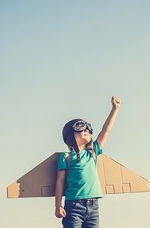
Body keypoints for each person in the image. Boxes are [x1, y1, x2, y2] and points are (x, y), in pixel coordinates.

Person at [55, 96, 121, 228]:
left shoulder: (93, 152)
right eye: (81, 127)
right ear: (70, 134)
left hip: (93, 207)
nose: (86, 130)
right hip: (73, 206)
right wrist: (58, 206)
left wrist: (115, 110)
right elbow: (60, 181)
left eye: (88, 128)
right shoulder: (66, 157)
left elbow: (105, 130)